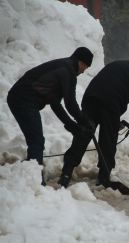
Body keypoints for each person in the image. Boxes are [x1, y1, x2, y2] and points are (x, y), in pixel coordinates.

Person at [57, 54, 129, 195]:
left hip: (90, 98)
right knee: (108, 140)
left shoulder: (117, 64)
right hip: (110, 104)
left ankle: (66, 174)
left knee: (83, 135)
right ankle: (103, 177)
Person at [7, 47, 94, 185]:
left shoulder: (63, 67)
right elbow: (70, 104)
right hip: (23, 100)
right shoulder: (68, 72)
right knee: (36, 140)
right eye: (85, 66)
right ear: (80, 62)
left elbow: (55, 104)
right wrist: (84, 121)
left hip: (20, 98)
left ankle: (31, 176)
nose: (83, 71)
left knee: (36, 140)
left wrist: (72, 126)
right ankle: (35, 182)